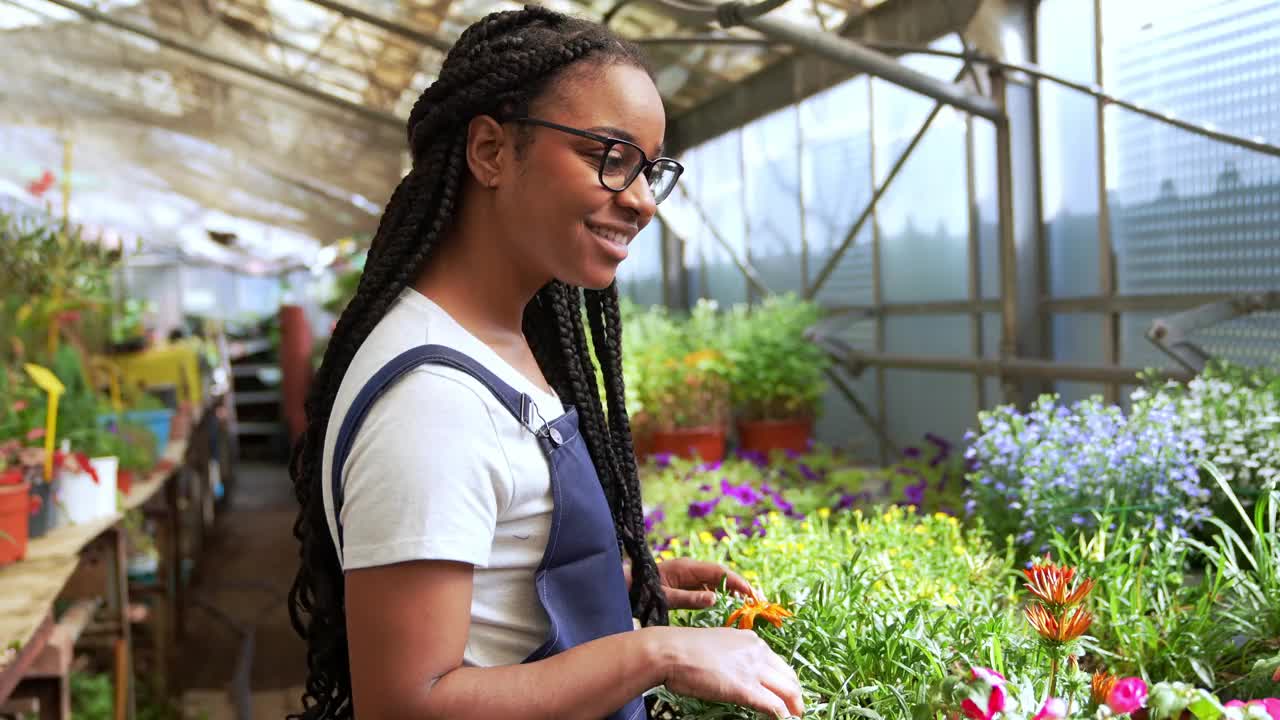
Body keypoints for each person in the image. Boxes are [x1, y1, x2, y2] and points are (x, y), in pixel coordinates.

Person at [286, 6, 805, 720]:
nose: (644, 201)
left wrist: (604, 584)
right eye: (611, 157)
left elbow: (486, 598)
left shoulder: (497, 340)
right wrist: (659, 651)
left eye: (651, 169)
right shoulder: (432, 401)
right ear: (492, 152)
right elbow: (408, 704)